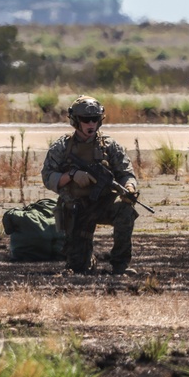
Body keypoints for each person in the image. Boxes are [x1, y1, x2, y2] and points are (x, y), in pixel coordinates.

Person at [41, 95, 139, 275]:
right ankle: (86, 260)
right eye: (86, 119)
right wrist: (71, 175)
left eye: (95, 119)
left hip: (103, 203)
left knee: (125, 210)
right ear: (75, 121)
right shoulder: (62, 147)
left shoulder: (109, 146)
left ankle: (120, 265)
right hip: (76, 207)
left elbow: (126, 173)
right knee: (77, 268)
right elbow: (47, 177)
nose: (91, 123)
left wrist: (130, 188)